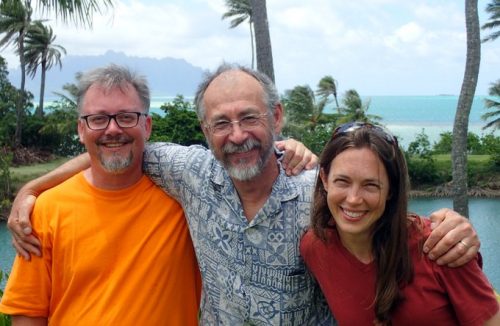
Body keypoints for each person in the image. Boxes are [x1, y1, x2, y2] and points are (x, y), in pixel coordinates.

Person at [8, 64, 481, 325]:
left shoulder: (316, 192)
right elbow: (118, 146)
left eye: (249, 117)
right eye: (221, 122)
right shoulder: (188, 171)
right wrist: (31, 188)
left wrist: (448, 226)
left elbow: (374, 210)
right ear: (204, 130)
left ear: (277, 118)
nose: (237, 135)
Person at [0, 65, 203, 325]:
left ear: (147, 125)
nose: (113, 129)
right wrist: (30, 190)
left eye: (126, 117)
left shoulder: (185, 200)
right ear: (81, 129)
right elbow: (28, 314)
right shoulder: (47, 209)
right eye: (98, 119)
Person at [300, 122, 499, 325]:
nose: (353, 199)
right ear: (325, 180)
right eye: (342, 181)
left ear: (391, 190)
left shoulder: (440, 247)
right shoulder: (315, 247)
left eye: (371, 185)